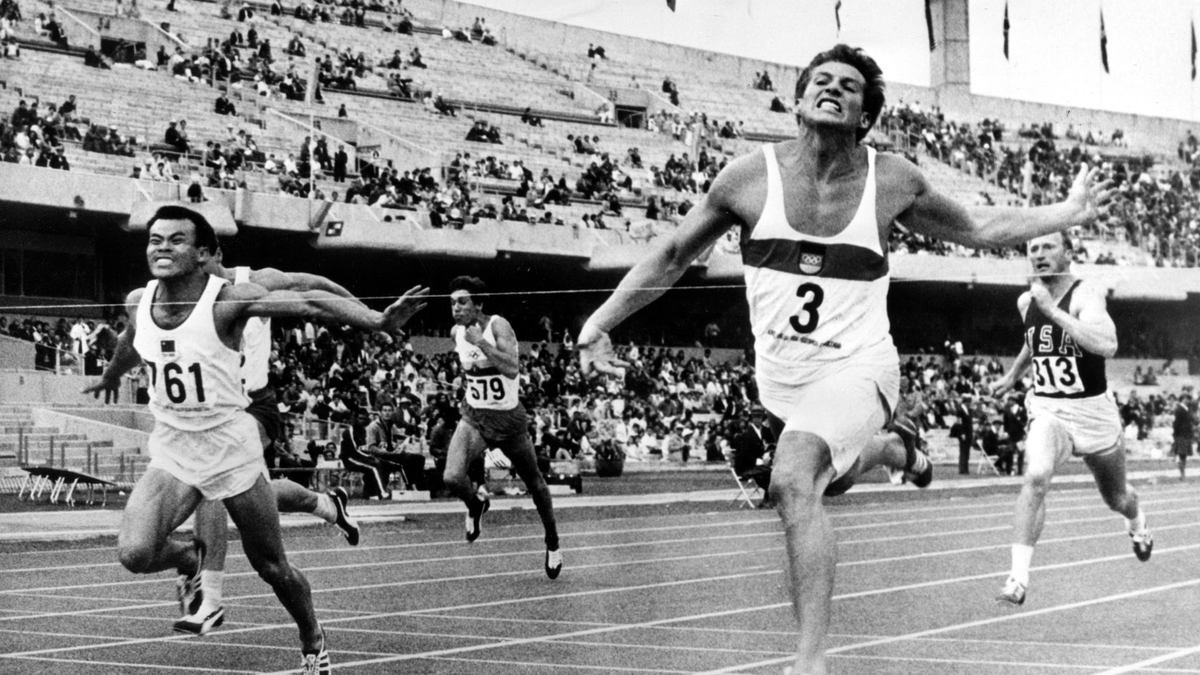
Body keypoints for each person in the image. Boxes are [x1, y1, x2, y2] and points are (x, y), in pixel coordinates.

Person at [577, 44, 1111, 675]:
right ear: (798, 99)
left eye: (850, 86)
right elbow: (671, 255)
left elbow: (977, 228)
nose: (833, 88)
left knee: (792, 478)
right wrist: (598, 323)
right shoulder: (746, 179)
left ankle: (809, 664)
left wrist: (1067, 212)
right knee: (828, 481)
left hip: (860, 366)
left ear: (865, 117)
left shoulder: (892, 181)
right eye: (821, 81)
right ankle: (891, 451)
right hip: (782, 381)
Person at [82, 205, 427, 674]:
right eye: (155, 239)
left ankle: (312, 637)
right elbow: (130, 340)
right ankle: (192, 560)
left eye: (176, 240)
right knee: (135, 553)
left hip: (230, 447)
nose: (161, 248)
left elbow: (309, 300)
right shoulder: (138, 300)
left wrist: (376, 320)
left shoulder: (228, 300)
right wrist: (110, 375)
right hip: (175, 450)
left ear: (203, 253)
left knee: (271, 566)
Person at [179, 252, 386, 636]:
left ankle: (210, 598)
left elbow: (317, 286)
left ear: (215, 255)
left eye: (198, 262)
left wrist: (371, 317)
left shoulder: (257, 280)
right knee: (251, 499)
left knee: (213, 483)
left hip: (253, 407)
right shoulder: (185, 294)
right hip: (209, 413)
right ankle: (327, 504)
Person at [991, 231, 1151, 607]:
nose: (1039, 254)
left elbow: (1107, 345)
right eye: (1033, 248)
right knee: (1036, 476)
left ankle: (1138, 523)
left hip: (1093, 413)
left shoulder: (1086, 294)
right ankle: (1017, 578)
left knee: (1117, 498)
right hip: (1050, 408)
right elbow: (1034, 340)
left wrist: (1053, 311)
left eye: (1048, 246)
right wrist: (1013, 375)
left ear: (1068, 253)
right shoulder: (1027, 301)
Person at [444, 276, 562, 579]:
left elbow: (512, 369)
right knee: (452, 477)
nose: (455, 308)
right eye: (452, 303)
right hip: (475, 416)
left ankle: (552, 540)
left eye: (462, 302)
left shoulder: (498, 326)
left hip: (508, 419)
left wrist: (481, 343)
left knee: (535, 482)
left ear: (478, 304)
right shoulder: (456, 332)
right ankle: (476, 505)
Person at [1172, 393, 1194, 479]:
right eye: (1187, 399)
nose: (1188, 401)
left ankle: (1183, 474)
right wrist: (1176, 435)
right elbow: (1176, 424)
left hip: (1186, 434)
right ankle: (1182, 474)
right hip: (1181, 435)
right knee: (1182, 455)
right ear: (1184, 399)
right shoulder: (1179, 409)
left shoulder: (1186, 409)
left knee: (1184, 455)